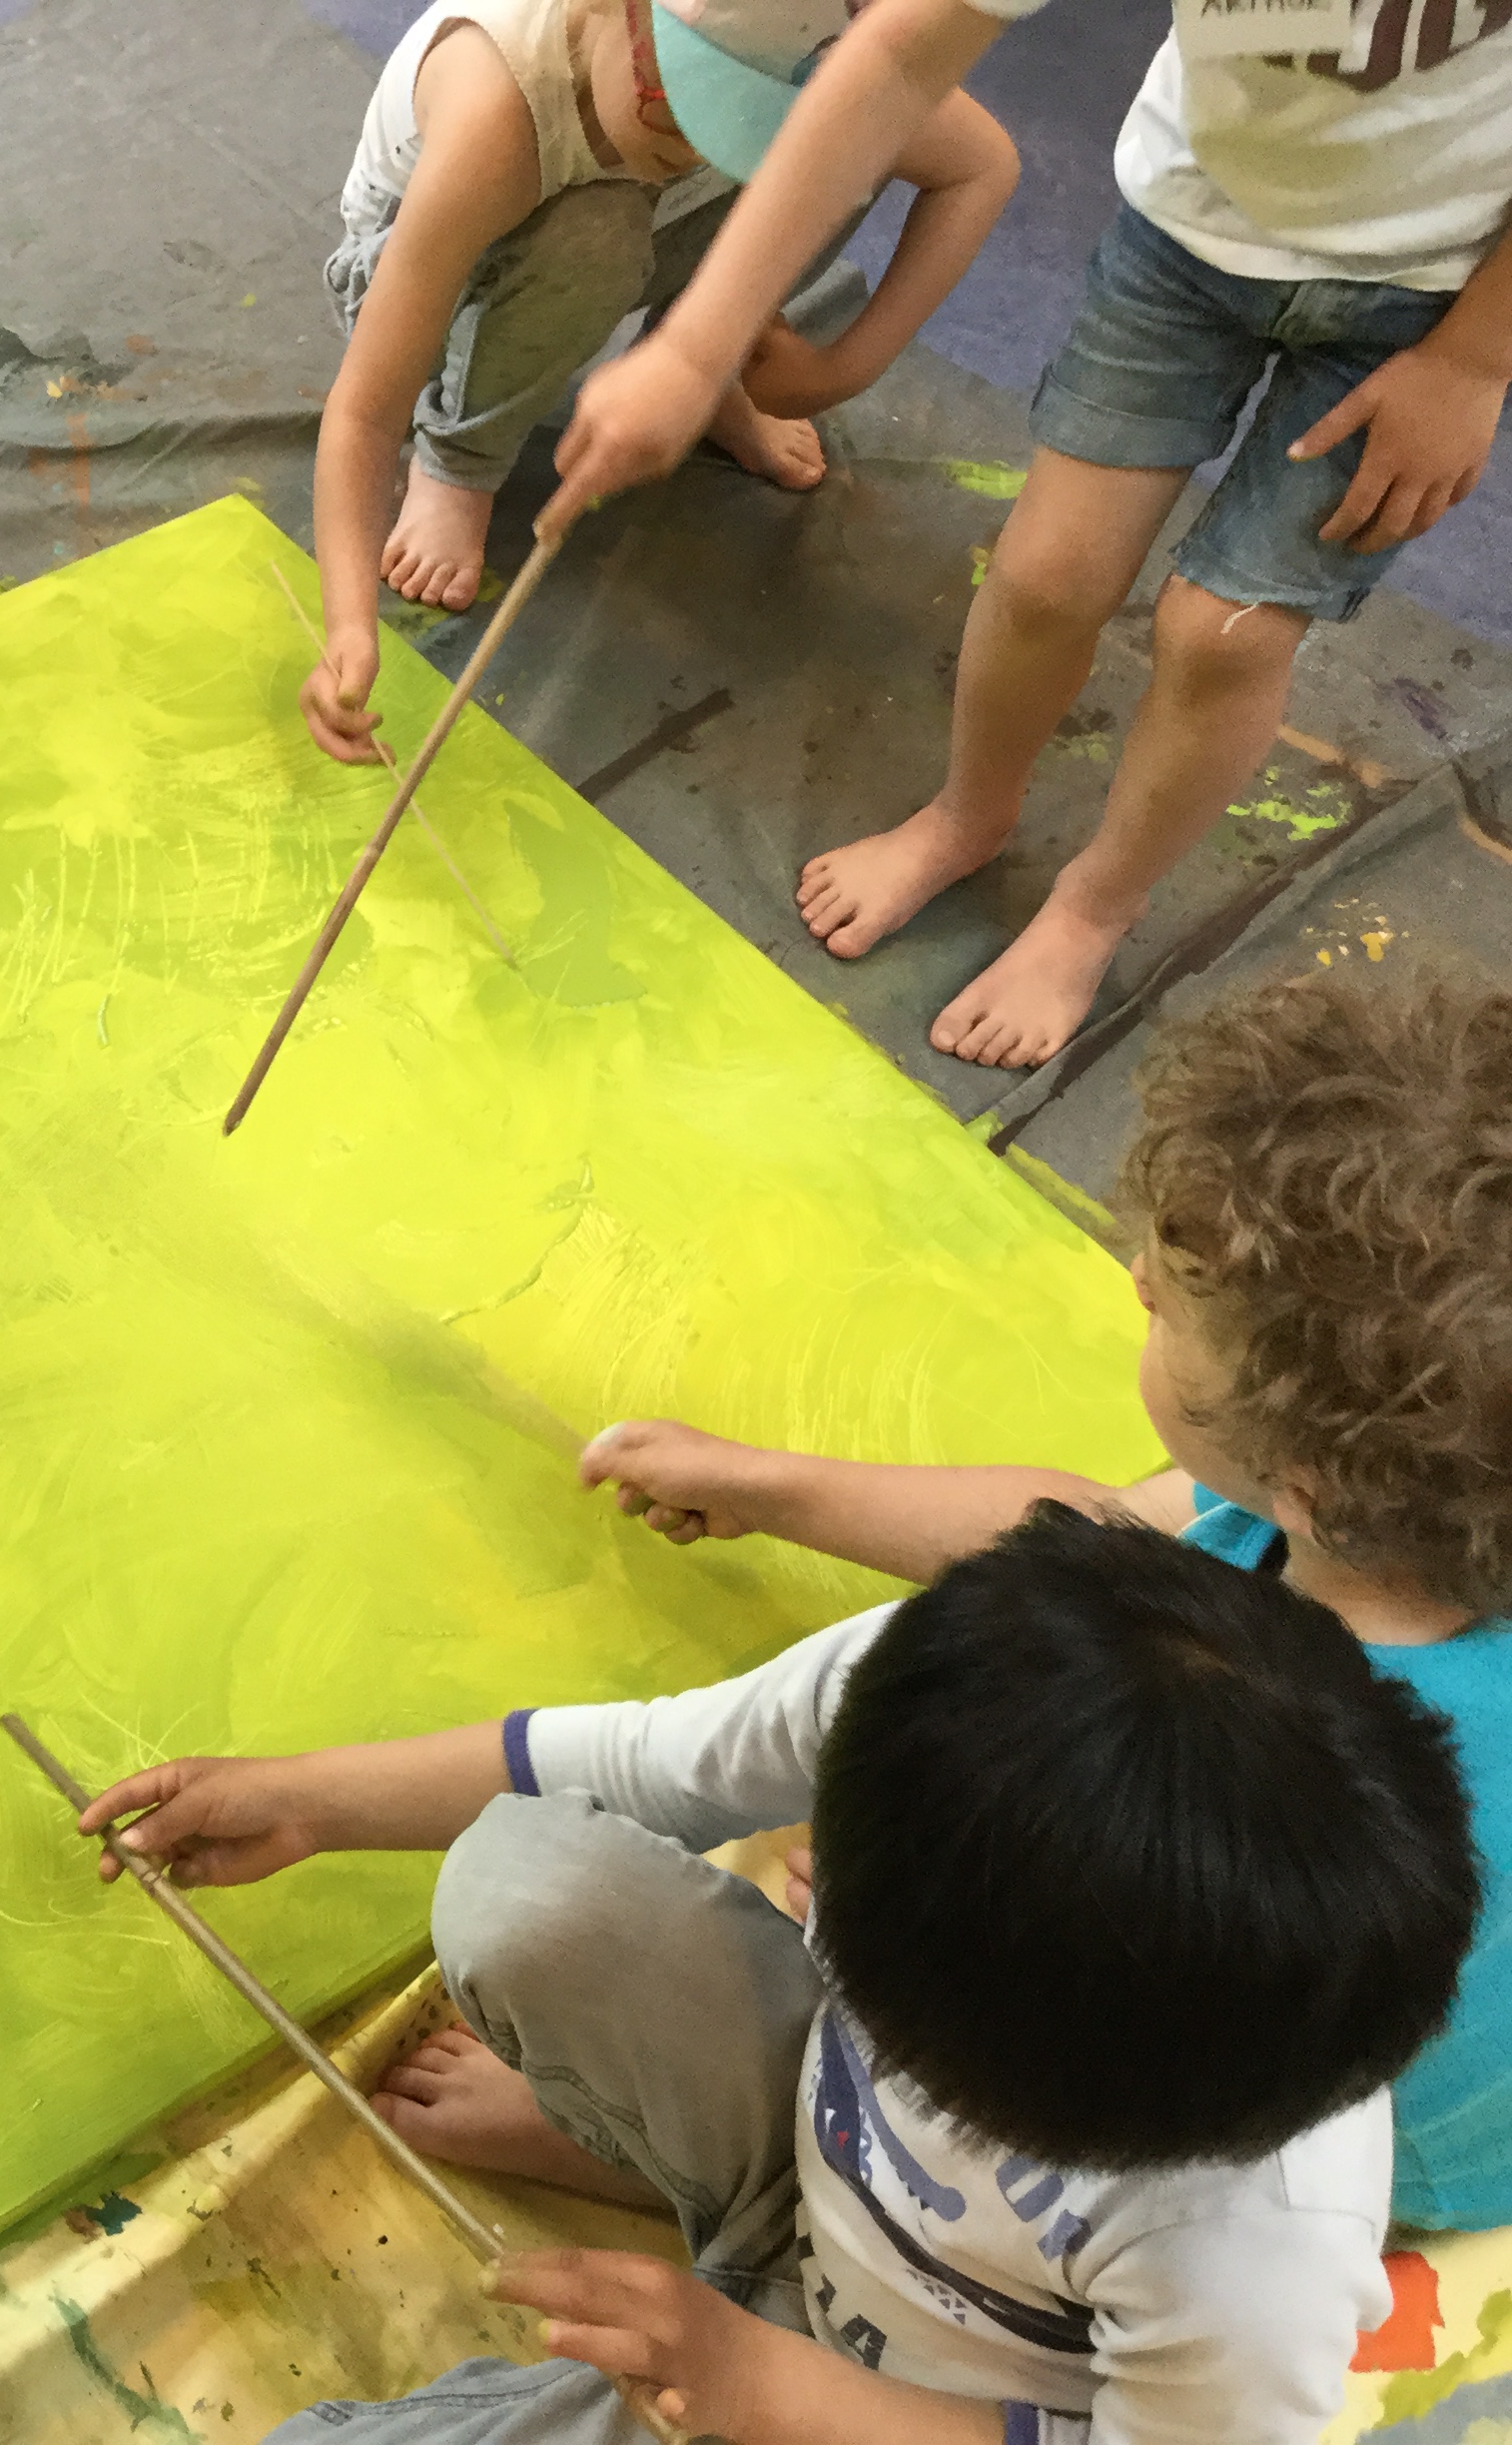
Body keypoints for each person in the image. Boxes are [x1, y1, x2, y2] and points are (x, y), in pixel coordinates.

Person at [81, 1506, 1476, 2444]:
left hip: (901, 2401)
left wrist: (761, 2387)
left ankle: (730, 2266)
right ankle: (688, 2193)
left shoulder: (1257, 2247)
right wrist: (312, 1798)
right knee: (525, 1885)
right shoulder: (962, 1683)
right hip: (807, 2171)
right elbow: (644, 1758)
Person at [577, 968, 1512, 2231]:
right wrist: (775, 1488)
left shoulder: (1308, 1765)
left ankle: (700, 2165)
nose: (1134, 1278)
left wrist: (897, 1934)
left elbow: (1132, 2039)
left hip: (1339, 2136)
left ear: (1308, 1486)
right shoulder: (1422, 1516)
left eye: (1175, 1308)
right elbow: (1091, 1527)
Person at [544, 0, 1512, 1067]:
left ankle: (1093, 909)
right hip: (1187, 236)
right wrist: (696, 346)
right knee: (1047, 576)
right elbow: (901, 54)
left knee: (1224, 636)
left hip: (1428, 299)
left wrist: (1475, 358)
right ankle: (967, 818)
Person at [305, 0, 1015, 758]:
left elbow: (982, 167)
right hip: (440, 281)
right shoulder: (495, 109)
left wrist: (837, 370)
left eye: (746, 120)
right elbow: (365, 412)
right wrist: (347, 626)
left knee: (827, 159)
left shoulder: (784, 65)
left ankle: (708, 368)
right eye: (682, 113)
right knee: (597, 231)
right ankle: (460, 452)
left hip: (629, 229)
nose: (702, 148)